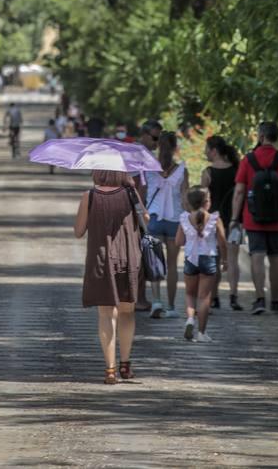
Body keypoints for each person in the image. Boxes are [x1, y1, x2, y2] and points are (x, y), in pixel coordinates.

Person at [74, 169, 147, 384]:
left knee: (106, 314)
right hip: (129, 259)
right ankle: (126, 364)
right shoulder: (131, 193)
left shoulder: (90, 196)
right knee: (127, 312)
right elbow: (146, 220)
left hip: (101, 260)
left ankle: (110, 370)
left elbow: (78, 231)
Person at [229, 121, 278, 315]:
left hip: (253, 218)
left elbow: (239, 191)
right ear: (277, 137)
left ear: (261, 137)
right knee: (276, 259)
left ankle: (260, 299)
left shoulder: (248, 160)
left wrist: (235, 218)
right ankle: (275, 301)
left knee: (257, 256)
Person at [145, 131, 189, 318]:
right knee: (172, 265)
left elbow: (141, 190)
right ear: (174, 148)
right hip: (175, 221)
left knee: (154, 263)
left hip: (154, 220)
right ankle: (171, 307)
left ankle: (156, 301)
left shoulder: (149, 168)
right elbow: (186, 200)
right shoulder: (182, 170)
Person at [176, 185, 227, 342]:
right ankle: (201, 333)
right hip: (208, 258)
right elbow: (222, 242)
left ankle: (190, 319)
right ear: (206, 202)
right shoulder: (214, 219)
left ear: (190, 203)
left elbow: (178, 241)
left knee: (190, 294)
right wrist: (225, 259)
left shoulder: (184, 218)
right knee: (204, 297)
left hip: (191, 259)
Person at [201, 135, 243, 310]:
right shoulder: (237, 170)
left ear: (214, 151)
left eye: (207, 149)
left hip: (212, 221)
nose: (205, 152)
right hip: (234, 221)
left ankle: (215, 297)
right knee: (233, 260)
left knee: (215, 259)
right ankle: (233, 297)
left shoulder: (208, 173)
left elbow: (202, 200)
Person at [134, 119, 163, 311]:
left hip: (145, 211)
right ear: (144, 135)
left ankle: (139, 297)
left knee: (143, 255)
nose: (157, 142)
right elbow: (138, 185)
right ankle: (139, 298)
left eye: (159, 138)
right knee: (141, 256)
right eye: (154, 138)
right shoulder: (138, 155)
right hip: (138, 212)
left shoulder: (147, 156)